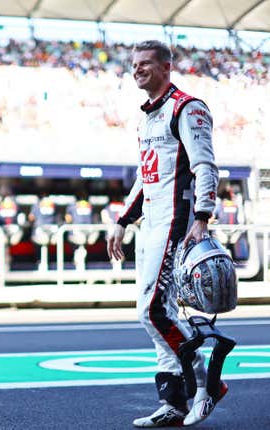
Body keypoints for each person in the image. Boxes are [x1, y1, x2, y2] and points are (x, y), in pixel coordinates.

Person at [106, 40, 225, 428]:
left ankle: (207, 384)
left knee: (152, 310)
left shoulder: (187, 107)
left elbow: (206, 166)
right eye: (134, 64)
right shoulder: (146, 118)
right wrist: (122, 221)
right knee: (162, 312)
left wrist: (202, 216)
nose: (137, 69)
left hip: (177, 223)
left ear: (166, 67)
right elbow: (146, 177)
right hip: (150, 224)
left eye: (145, 64)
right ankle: (173, 402)